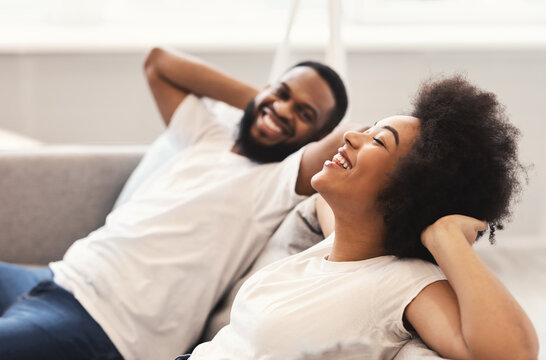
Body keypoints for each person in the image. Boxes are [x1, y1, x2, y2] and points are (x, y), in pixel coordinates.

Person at [0, 48, 353, 360]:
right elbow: (159, 63)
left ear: (317, 138)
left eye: (305, 113)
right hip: (61, 275)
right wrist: (267, 102)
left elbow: (353, 136)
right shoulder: (209, 135)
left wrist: (276, 110)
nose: (284, 108)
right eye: (282, 92)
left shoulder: (279, 181)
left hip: (103, 325)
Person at [187, 76, 539, 360]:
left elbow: (514, 353)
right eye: (370, 128)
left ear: (407, 191)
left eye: (379, 141)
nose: (352, 136)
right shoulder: (337, 241)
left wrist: (446, 236)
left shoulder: (404, 282)